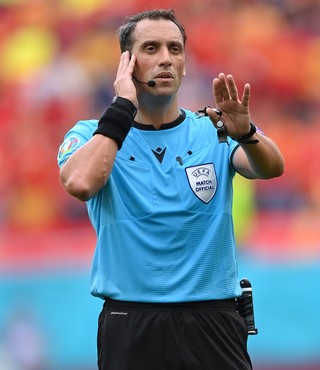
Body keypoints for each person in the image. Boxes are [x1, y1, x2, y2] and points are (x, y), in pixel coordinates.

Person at [57, 9, 284, 370]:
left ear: (184, 63)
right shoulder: (90, 135)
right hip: (131, 321)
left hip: (213, 320)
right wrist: (122, 107)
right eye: (151, 48)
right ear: (126, 64)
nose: (166, 58)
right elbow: (81, 183)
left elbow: (270, 167)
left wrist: (247, 133)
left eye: (175, 49)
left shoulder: (214, 130)